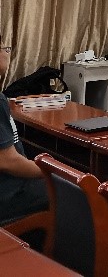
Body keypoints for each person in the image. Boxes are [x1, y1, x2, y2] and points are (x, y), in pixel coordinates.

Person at [0, 39, 49, 224]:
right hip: (9, 194)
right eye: (5, 49)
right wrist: (50, 172)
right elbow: (8, 161)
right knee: (75, 194)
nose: (7, 53)